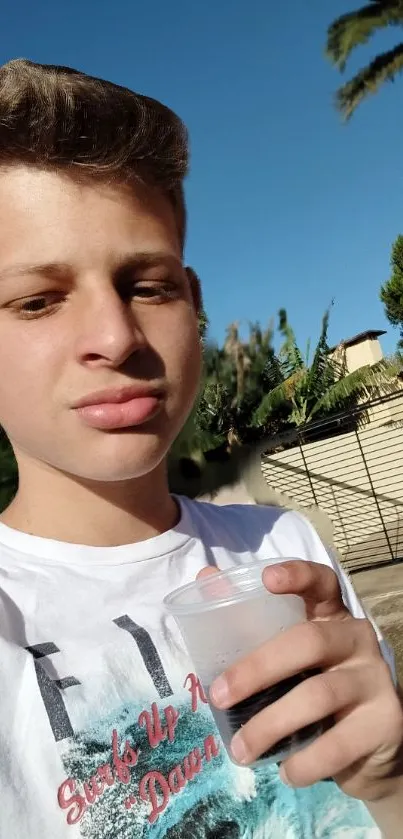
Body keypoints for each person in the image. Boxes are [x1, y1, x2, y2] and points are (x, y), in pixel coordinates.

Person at [0, 58, 401, 839]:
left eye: (147, 285)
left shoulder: (286, 548)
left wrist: (389, 783)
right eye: (37, 301)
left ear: (195, 303)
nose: (117, 337)